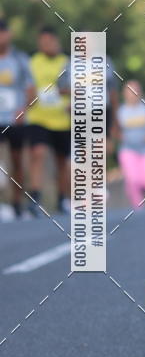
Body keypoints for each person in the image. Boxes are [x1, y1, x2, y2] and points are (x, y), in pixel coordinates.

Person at [26, 26, 71, 215]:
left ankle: (62, 199)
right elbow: (27, 88)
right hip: (38, 118)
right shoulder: (32, 62)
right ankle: (35, 198)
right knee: (39, 153)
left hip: (62, 120)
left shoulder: (67, 63)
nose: (46, 46)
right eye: (42, 43)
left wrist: (59, 93)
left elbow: (76, 88)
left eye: (49, 42)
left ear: (56, 42)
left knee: (62, 162)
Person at [0, 18, 35, 218]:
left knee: (16, 161)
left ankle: (17, 203)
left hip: (15, 119)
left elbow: (31, 89)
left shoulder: (20, 59)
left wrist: (24, 109)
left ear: (8, 35)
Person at [114, 80, 145, 208]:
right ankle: (138, 209)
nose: (133, 94)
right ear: (124, 94)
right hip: (128, 149)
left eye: (135, 90)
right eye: (129, 91)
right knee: (133, 180)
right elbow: (114, 129)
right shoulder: (120, 111)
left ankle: (137, 192)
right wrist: (119, 136)